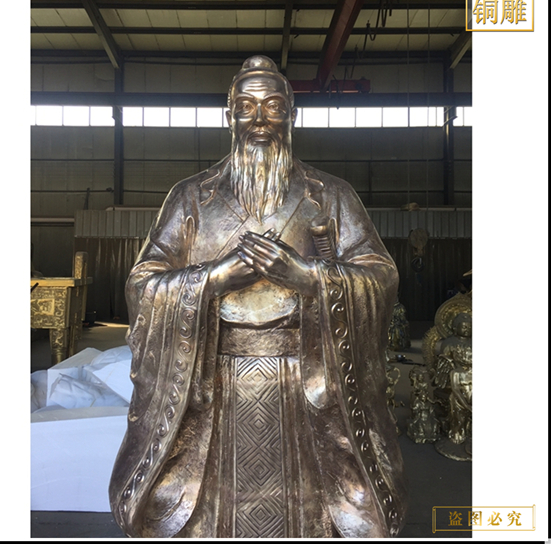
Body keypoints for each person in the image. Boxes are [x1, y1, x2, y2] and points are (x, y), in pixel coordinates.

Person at [109, 56, 408, 538]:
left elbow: (379, 275)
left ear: (292, 114)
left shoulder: (331, 195)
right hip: (215, 383)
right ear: (229, 116)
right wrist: (213, 278)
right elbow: (143, 282)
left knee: (313, 517)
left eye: (273, 106)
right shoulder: (191, 198)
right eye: (246, 106)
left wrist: (308, 276)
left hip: (304, 382)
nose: (260, 119)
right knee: (210, 518)